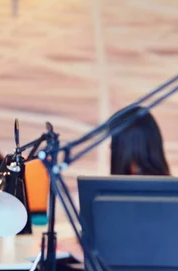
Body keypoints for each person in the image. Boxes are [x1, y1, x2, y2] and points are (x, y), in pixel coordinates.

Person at [57, 106, 170, 262]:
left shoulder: (132, 195)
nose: (110, 147)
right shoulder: (168, 190)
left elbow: (125, 259)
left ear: (125, 146)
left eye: (114, 142)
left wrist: (76, 251)